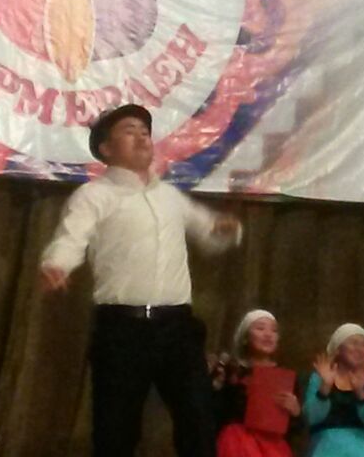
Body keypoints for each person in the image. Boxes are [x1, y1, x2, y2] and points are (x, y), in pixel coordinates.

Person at [40, 103, 242, 457]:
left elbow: (208, 233)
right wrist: (57, 265)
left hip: (178, 328)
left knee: (198, 421)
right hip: (123, 330)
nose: (141, 137)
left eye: (145, 131)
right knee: (115, 432)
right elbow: (71, 238)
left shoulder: (169, 196)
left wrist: (225, 230)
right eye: (129, 131)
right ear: (106, 148)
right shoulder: (94, 195)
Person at [212, 309, 301, 456]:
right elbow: (214, 415)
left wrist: (295, 412)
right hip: (237, 442)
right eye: (260, 328)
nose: (268, 334)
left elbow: (294, 430)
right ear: (245, 337)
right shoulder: (231, 371)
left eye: (274, 331)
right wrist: (216, 386)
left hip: (273, 446)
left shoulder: (285, 377)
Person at [304, 323, 364, 456]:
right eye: (354, 343)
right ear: (338, 349)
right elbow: (310, 418)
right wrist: (325, 387)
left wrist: (361, 393)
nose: (359, 349)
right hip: (326, 446)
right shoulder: (319, 377)